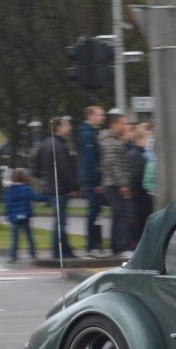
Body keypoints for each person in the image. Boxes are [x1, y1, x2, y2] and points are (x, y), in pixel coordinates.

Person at [34, 116, 79, 259]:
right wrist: (73, 186)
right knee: (60, 222)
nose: (70, 128)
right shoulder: (59, 146)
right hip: (60, 188)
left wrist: (45, 179)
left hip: (51, 188)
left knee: (60, 220)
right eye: (67, 125)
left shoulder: (45, 144)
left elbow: (36, 167)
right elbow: (65, 169)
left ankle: (64, 251)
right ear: (59, 128)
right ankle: (60, 251)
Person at [100, 111, 133, 256]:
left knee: (118, 215)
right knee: (122, 215)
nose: (125, 127)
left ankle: (116, 246)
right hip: (114, 184)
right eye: (122, 124)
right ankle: (121, 247)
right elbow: (113, 164)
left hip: (113, 183)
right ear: (114, 125)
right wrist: (123, 184)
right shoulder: (111, 141)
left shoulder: (112, 140)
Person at [77, 105, 106, 257]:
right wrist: (96, 182)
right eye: (99, 114)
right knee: (93, 212)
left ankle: (95, 244)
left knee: (96, 213)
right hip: (92, 181)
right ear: (90, 116)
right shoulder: (88, 135)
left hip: (92, 179)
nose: (102, 117)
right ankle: (92, 245)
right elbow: (90, 160)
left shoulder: (93, 133)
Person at [3, 168, 46, 263]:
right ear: (24, 178)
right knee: (29, 237)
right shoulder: (27, 189)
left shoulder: (10, 190)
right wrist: (47, 198)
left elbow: (7, 204)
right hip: (25, 216)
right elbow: (36, 198)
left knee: (15, 238)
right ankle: (32, 253)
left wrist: (7, 216)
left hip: (14, 217)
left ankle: (13, 256)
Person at [127, 122, 152, 248]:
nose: (148, 142)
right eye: (147, 139)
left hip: (137, 195)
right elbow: (138, 176)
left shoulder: (134, 153)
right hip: (140, 197)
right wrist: (145, 191)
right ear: (141, 139)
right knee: (140, 223)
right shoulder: (138, 156)